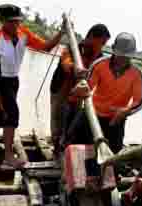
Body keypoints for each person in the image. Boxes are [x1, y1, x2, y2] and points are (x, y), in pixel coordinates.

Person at [0, 4, 63, 170]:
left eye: (18, 21)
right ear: (2, 21)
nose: (15, 25)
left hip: (13, 80)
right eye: (11, 22)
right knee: (12, 113)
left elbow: (46, 47)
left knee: (4, 110)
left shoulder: (24, 33)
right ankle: (8, 156)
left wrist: (62, 33)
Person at [72, 32, 142, 154]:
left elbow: (140, 101)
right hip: (93, 115)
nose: (122, 59)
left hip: (116, 120)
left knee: (112, 155)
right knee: (78, 147)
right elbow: (87, 87)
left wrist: (126, 111)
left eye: (126, 57)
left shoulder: (136, 74)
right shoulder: (100, 64)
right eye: (120, 56)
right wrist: (79, 89)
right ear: (113, 51)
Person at [50, 24, 110, 159]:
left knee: (72, 120)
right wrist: (75, 68)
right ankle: (56, 148)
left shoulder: (99, 56)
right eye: (102, 42)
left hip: (78, 94)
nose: (103, 46)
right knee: (57, 118)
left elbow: (98, 73)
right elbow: (66, 63)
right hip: (61, 89)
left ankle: (65, 146)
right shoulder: (73, 48)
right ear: (91, 37)